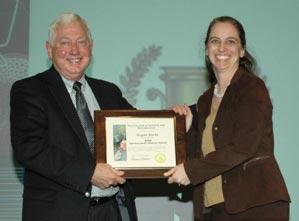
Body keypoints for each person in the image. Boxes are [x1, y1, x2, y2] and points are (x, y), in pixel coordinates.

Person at [10, 13, 137, 221]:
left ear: (91, 47)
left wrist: (178, 119)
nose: (74, 50)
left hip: (112, 211)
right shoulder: (29, 90)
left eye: (81, 42)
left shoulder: (109, 91)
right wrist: (89, 173)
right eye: (65, 42)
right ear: (49, 49)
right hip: (58, 213)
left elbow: (142, 127)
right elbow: (29, 148)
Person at [164, 16, 290, 221]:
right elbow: (205, 153)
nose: (222, 48)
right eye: (215, 41)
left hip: (256, 206)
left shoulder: (252, 87)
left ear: (241, 50)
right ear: (206, 49)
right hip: (216, 209)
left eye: (230, 41)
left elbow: (244, 146)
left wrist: (190, 170)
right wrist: (187, 130)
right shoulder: (204, 100)